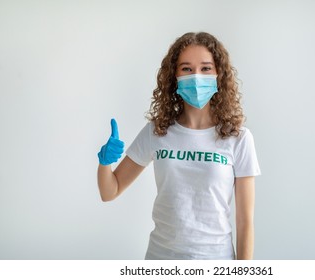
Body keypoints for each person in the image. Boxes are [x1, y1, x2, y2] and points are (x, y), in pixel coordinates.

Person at [97, 32, 261, 260]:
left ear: (218, 75)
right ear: (174, 77)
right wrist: (105, 163)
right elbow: (109, 191)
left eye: (205, 68)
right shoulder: (158, 130)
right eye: (186, 69)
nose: (195, 77)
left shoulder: (238, 138)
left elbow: (245, 221)